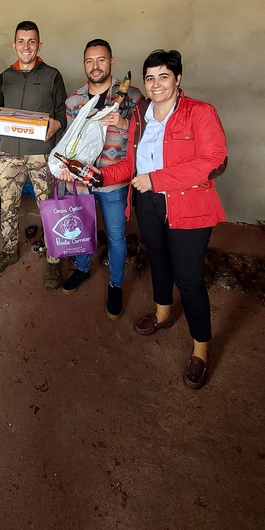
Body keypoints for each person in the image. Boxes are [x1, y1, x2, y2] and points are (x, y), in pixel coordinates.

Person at [94, 50, 227, 390]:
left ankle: (200, 349)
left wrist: (158, 180)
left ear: (178, 79)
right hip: (148, 202)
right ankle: (163, 314)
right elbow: (132, 164)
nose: (156, 85)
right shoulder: (140, 114)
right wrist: (97, 175)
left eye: (164, 77)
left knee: (189, 279)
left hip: (189, 207)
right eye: (150, 78)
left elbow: (215, 160)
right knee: (159, 260)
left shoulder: (200, 112)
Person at [0, 21, 67, 289]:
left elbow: (62, 113)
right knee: (7, 206)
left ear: (39, 45)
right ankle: (10, 251)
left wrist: (56, 124)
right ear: (14, 45)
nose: (26, 46)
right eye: (21, 41)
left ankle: (53, 260)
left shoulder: (52, 75)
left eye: (31, 41)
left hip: (41, 155)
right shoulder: (6, 76)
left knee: (49, 208)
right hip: (10, 154)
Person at [60, 39, 143, 319]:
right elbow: (71, 141)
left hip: (113, 181)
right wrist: (63, 170)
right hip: (81, 180)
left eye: (101, 60)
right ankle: (82, 268)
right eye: (89, 61)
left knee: (116, 236)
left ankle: (115, 284)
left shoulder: (132, 96)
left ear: (112, 61)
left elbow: (144, 136)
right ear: (84, 64)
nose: (95, 66)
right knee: (82, 229)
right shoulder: (74, 101)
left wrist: (124, 123)